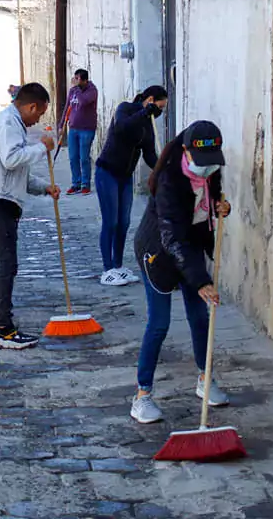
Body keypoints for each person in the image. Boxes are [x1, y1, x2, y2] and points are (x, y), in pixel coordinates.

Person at [130, 120, 232, 424]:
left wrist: (219, 206)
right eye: (201, 163)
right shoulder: (169, 181)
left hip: (191, 249)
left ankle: (205, 379)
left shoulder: (209, 167)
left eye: (212, 162)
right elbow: (172, 236)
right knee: (159, 324)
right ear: (185, 151)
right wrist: (200, 280)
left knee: (200, 317)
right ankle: (142, 396)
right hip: (159, 254)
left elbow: (207, 204)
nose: (207, 169)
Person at [0, 83, 60, 350]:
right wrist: (43, 148)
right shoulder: (8, 122)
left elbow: (17, 172)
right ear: (31, 106)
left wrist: (44, 187)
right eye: (40, 114)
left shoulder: (12, 124)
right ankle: (4, 329)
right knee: (7, 263)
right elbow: (12, 159)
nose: (38, 120)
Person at [94, 86, 168, 287]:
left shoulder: (148, 125)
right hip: (107, 173)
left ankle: (118, 267)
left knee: (124, 222)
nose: (160, 112)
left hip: (125, 178)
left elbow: (150, 155)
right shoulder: (125, 109)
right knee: (110, 222)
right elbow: (121, 128)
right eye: (160, 107)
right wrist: (144, 112)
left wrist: (164, 168)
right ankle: (107, 269)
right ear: (150, 99)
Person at [65, 69, 98, 195]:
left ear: (85, 80)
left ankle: (85, 184)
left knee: (84, 157)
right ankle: (75, 183)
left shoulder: (92, 90)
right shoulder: (73, 91)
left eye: (78, 79)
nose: (76, 81)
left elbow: (84, 102)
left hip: (87, 129)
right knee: (73, 157)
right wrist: (62, 123)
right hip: (73, 129)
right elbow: (68, 107)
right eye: (75, 78)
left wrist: (76, 88)